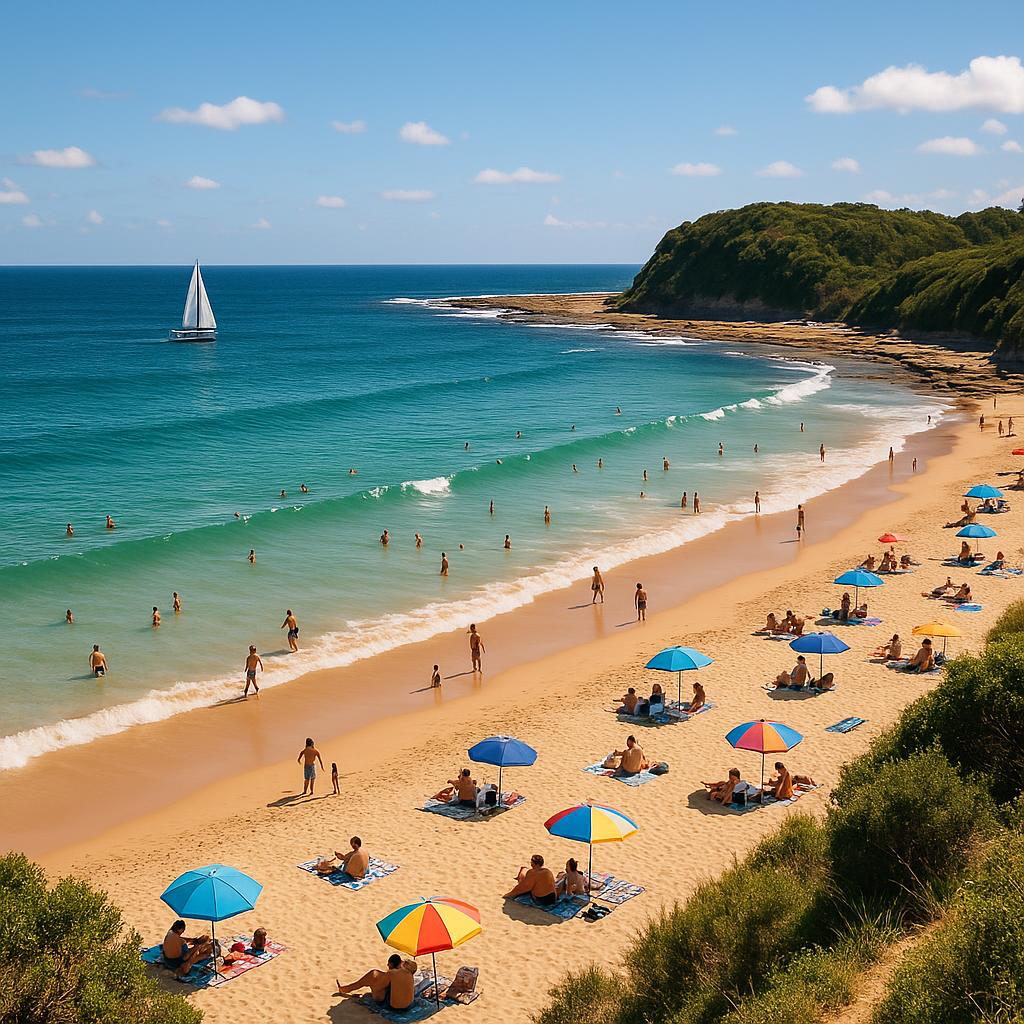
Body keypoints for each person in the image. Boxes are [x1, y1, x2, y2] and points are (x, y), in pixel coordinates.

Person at [336, 954, 417, 1009]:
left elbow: (378, 988)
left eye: (388, 964)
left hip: (394, 1007)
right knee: (379, 979)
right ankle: (346, 989)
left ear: (391, 965)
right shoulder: (409, 972)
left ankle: (345, 989)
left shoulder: (392, 973)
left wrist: (371, 983)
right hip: (409, 1004)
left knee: (373, 975)